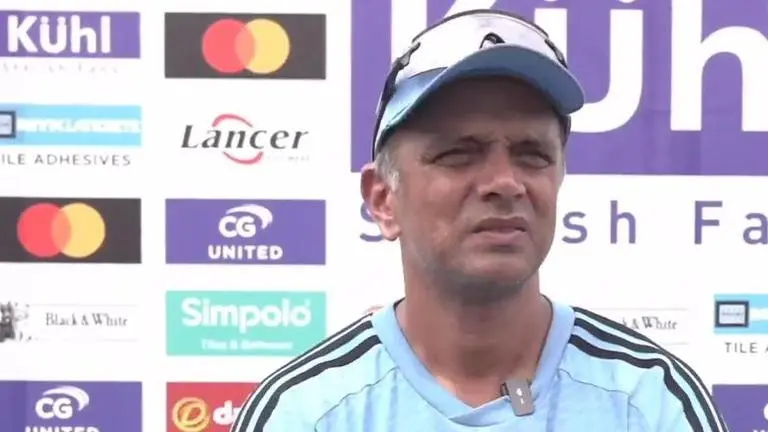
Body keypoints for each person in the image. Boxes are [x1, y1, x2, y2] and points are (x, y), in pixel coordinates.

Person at [230, 9, 728, 432]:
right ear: (383, 199)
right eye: (458, 154)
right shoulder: (306, 413)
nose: (504, 182)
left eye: (532, 154)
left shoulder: (650, 401)